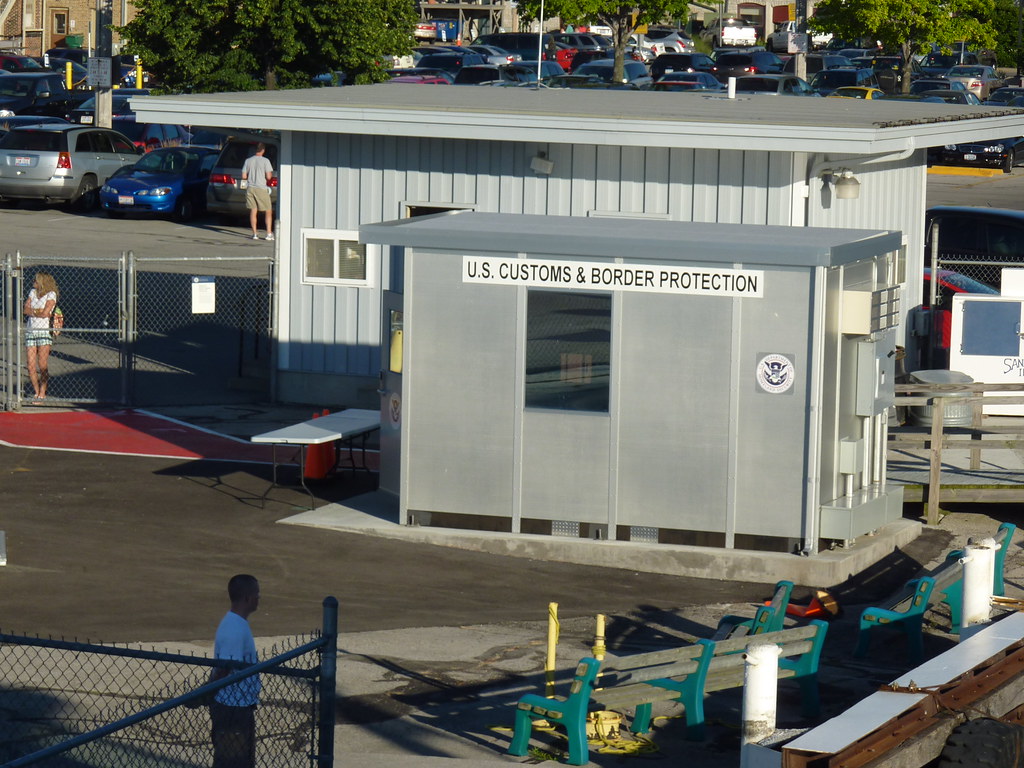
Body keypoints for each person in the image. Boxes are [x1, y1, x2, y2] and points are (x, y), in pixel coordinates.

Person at [210, 574, 261, 768]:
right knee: (233, 762)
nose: (259, 599)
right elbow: (225, 668)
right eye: (257, 595)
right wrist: (208, 692)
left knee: (239, 760)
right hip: (233, 709)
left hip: (237, 706)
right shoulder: (234, 629)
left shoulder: (237, 623)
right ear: (248, 598)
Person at [23, 271, 58, 403]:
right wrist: (37, 311)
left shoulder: (51, 294)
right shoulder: (32, 292)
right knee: (30, 365)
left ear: (42, 282)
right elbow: (25, 309)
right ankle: (36, 392)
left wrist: (35, 312)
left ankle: (43, 392)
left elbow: (46, 313)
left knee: (42, 364)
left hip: (43, 332)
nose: (33, 282)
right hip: (31, 331)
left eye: (36, 280)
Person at [241, 144, 275, 241]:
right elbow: (268, 177)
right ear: (263, 150)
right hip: (261, 188)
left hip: (250, 187)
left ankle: (255, 233)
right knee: (268, 210)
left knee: (253, 210)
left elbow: (244, 176)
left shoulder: (248, 161)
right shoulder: (266, 161)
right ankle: (268, 233)